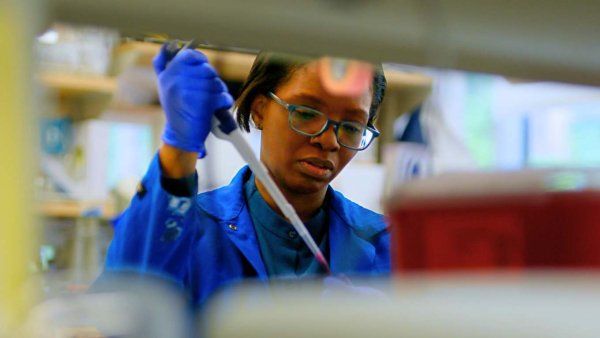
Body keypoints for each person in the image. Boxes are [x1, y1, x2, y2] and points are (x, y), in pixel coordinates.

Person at [104, 46, 389, 307]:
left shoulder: (386, 244)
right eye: (305, 113)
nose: (329, 141)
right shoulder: (191, 229)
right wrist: (179, 148)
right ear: (259, 110)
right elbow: (123, 307)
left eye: (352, 126)